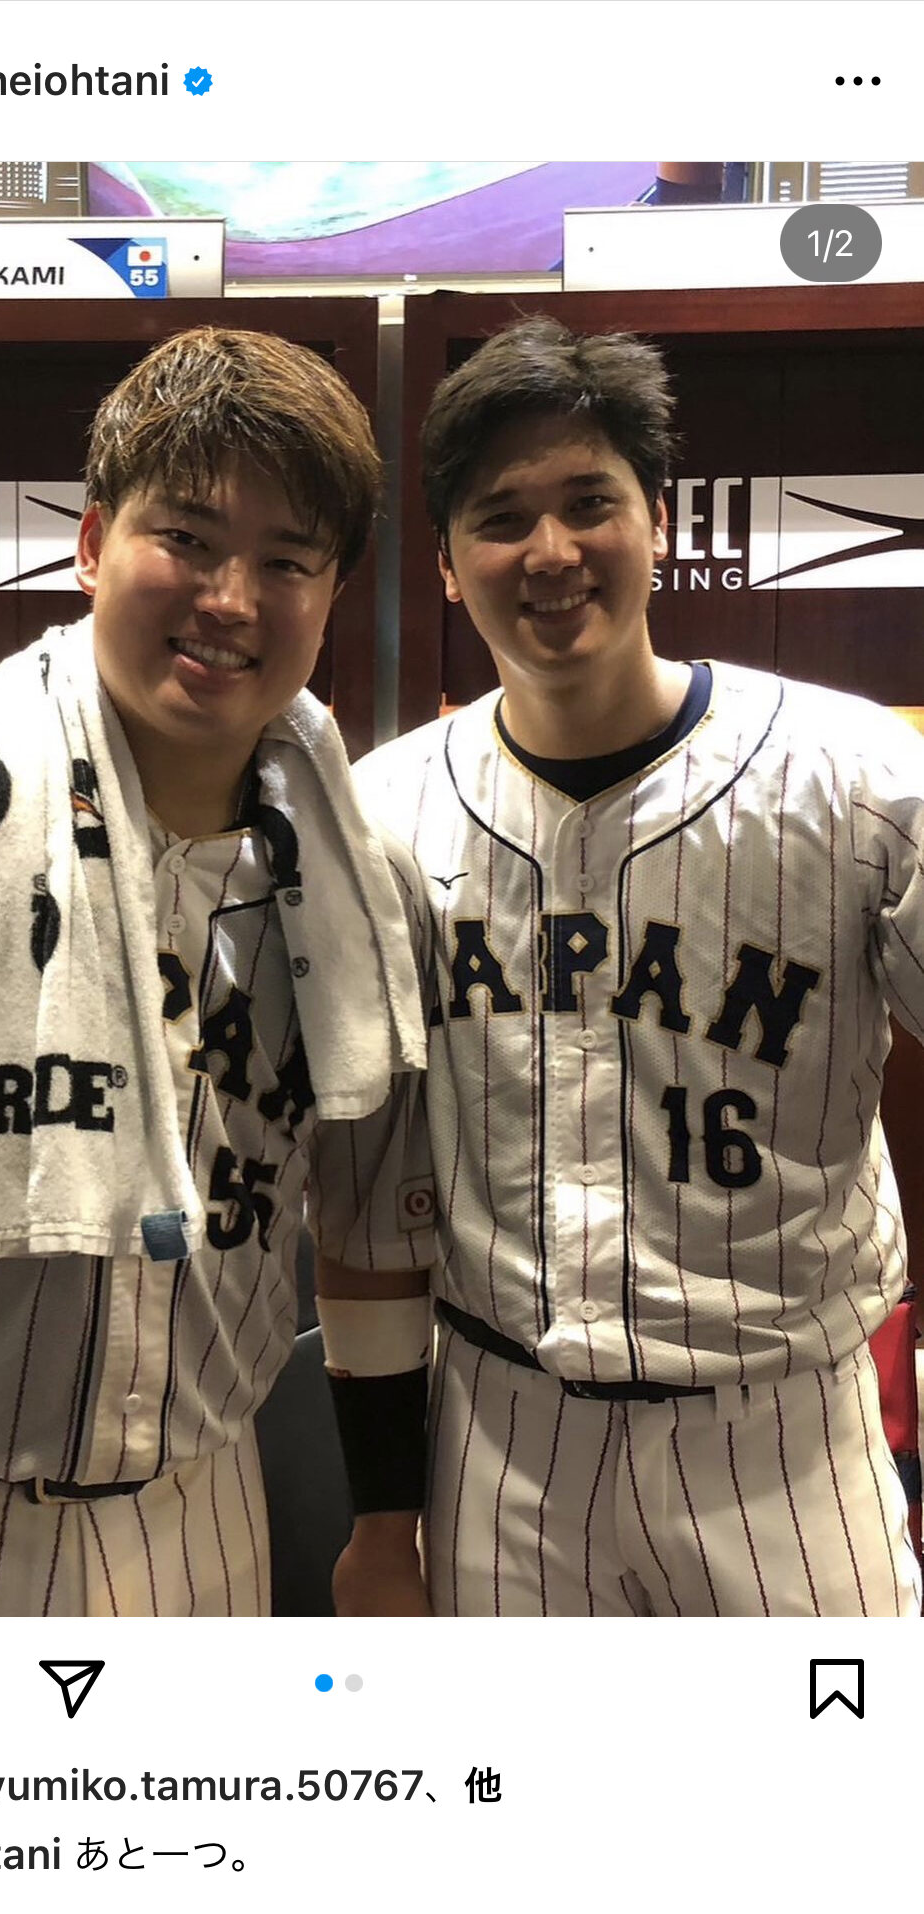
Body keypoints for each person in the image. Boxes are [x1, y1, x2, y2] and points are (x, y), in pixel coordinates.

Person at [0, 327, 430, 1617]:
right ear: (92, 541)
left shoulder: (362, 881)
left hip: (203, 1514)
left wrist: (388, 1523)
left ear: (332, 590)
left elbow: (364, 1224)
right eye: (187, 537)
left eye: (286, 560)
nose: (230, 598)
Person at [320, 314, 923, 1618]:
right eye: (501, 519)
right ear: (446, 568)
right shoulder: (380, 816)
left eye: (588, 502)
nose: (549, 552)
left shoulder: (858, 781)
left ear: (659, 518)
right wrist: (382, 1514)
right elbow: (366, 1200)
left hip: (780, 1434)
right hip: (503, 1436)